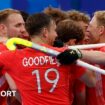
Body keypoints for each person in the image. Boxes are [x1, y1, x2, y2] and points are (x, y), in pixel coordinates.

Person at [0, 13, 96, 105]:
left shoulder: (12, 56)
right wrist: (77, 56)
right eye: (54, 30)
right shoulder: (64, 55)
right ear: (45, 32)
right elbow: (91, 82)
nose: (56, 35)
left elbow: (15, 89)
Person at [0, 8, 29, 105]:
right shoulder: (6, 50)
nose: (23, 30)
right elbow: (16, 89)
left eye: (24, 25)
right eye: (18, 25)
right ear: (2, 28)